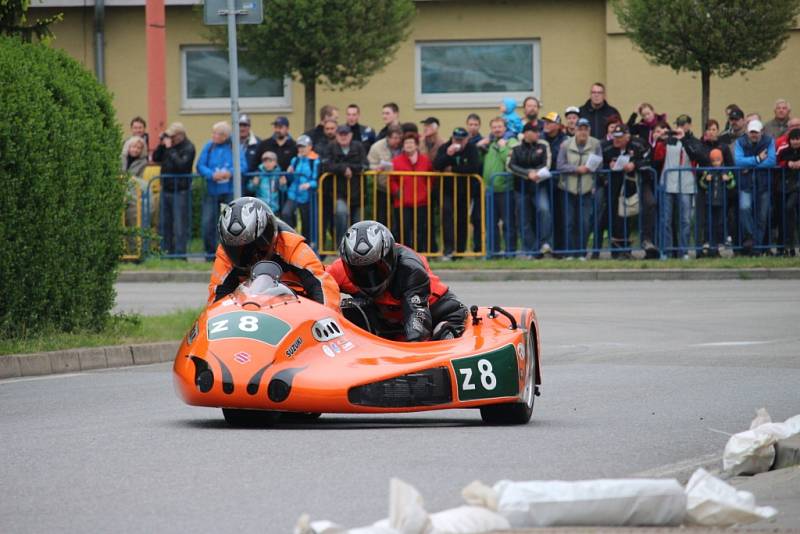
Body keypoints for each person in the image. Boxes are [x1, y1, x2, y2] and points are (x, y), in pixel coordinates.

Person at [328, 221, 467, 342]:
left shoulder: (410, 269)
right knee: (350, 309)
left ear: (390, 257)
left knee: (442, 334)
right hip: (390, 323)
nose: (369, 277)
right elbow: (314, 285)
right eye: (359, 271)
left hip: (436, 313)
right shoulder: (339, 270)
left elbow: (418, 325)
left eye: (377, 268)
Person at [209, 197, 339, 309]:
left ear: (270, 233)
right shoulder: (225, 254)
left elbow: (322, 284)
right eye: (237, 249)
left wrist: (323, 319)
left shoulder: (290, 245)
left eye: (256, 245)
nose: (250, 254)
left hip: (299, 305)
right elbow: (216, 301)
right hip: (251, 307)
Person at [196, 121, 248, 258]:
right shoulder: (209, 146)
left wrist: (229, 173)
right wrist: (211, 174)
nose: (213, 136)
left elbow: (243, 166)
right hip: (211, 190)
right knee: (208, 222)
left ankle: (232, 253)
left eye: (216, 133)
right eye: (213, 133)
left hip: (229, 191)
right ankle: (210, 254)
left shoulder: (234, 147)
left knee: (231, 223)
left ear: (225, 136)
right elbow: (200, 165)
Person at [599, 123, 651, 258]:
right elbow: (598, 163)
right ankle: (618, 251)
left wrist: (635, 164)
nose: (616, 140)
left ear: (627, 137)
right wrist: (607, 165)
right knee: (616, 216)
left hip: (637, 182)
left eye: (620, 137)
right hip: (615, 185)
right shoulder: (607, 146)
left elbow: (650, 160)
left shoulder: (639, 144)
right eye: (614, 137)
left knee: (648, 205)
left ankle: (647, 243)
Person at [433, 127, 483, 258]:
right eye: (456, 139)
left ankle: (460, 251)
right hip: (446, 190)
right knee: (447, 215)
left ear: (467, 139)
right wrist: (447, 155)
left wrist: (453, 169)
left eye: (461, 140)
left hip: (464, 191)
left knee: (462, 219)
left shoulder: (471, 149)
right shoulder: (445, 147)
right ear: (452, 138)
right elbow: (437, 165)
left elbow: (474, 167)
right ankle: (448, 249)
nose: (458, 142)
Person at [557, 118, 601, 258]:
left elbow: (600, 164)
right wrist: (576, 169)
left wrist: (589, 168)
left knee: (584, 223)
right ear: (575, 130)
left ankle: (581, 252)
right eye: (580, 129)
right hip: (567, 188)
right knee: (569, 222)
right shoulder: (565, 144)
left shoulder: (595, 144)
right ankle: (570, 252)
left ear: (589, 130)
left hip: (587, 189)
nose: (583, 132)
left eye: (585, 129)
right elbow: (560, 165)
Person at [508, 122, 552, 257]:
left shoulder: (543, 145)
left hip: (539, 186)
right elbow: (510, 165)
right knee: (523, 220)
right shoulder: (516, 147)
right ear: (527, 133)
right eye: (535, 131)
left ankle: (545, 242)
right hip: (520, 188)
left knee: (544, 210)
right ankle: (533, 249)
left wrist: (536, 173)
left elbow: (547, 163)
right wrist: (528, 174)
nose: (538, 134)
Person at [152, 122, 196, 257]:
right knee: (164, 224)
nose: (170, 138)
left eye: (172, 136)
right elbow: (155, 158)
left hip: (180, 191)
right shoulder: (168, 146)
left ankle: (180, 255)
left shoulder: (189, 147)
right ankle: (166, 253)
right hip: (166, 189)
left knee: (179, 225)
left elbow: (182, 166)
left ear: (180, 135)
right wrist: (161, 144)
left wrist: (170, 149)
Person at [321, 124, 368, 247]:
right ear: (336, 136)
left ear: (351, 135)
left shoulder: (358, 146)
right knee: (341, 214)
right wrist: (343, 168)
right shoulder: (330, 147)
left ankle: (358, 248)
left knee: (358, 223)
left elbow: (365, 165)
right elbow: (326, 165)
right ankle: (341, 245)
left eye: (346, 134)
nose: (343, 137)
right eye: (340, 134)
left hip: (357, 191)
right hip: (338, 192)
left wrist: (350, 168)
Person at [735, 119, 776, 254]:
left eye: (756, 132)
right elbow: (738, 161)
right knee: (744, 208)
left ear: (761, 132)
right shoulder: (740, 142)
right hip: (746, 184)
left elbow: (771, 161)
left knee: (762, 217)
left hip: (763, 184)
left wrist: (751, 166)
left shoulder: (769, 140)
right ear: (747, 131)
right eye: (752, 132)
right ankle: (751, 238)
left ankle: (756, 249)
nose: (754, 135)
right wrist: (758, 159)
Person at [658, 121, 698, 260]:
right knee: (666, 220)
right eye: (679, 124)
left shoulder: (692, 140)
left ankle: (684, 251)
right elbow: (657, 156)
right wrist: (659, 139)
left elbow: (697, 156)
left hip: (686, 184)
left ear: (689, 126)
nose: (682, 127)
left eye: (685, 124)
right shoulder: (668, 141)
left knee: (685, 220)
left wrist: (685, 139)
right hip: (667, 183)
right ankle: (667, 252)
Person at [390, 132, 433, 251]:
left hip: (421, 201)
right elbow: (392, 180)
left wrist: (426, 191)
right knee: (403, 229)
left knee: (421, 229)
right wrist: (397, 192)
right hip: (403, 202)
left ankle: (420, 253)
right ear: (403, 145)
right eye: (406, 142)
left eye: (411, 142)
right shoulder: (396, 161)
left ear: (417, 145)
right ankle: (403, 254)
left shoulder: (425, 160)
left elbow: (431, 178)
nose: (409, 145)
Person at [483, 117, 519, 255]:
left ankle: (510, 251)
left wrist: (503, 148)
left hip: (506, 189)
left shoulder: (511, 142)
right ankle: (493, 251)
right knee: (491, 223)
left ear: (505, 128)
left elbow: (511, 162)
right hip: (490, 190)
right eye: (494, 127)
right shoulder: (491, 144)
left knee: (508, 223)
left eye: (499, 126)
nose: (497, 129)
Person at [698, 149, 736, 255]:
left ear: (722, 160)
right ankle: (708, 242)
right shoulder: (708, 171)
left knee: (720, 222)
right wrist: (706, 180)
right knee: (708, 222)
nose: (716, 163)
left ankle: (721, 242)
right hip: (709, 201)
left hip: (722, 201)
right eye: (713, 161)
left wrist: (728, 179)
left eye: (718, 160)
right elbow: (702, 184)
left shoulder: (726, 171)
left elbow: (732, 185)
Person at [283, 135, 318, 243]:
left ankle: (305, 244)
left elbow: (317, 180)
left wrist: (309, 184)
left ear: (310, 147)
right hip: (293, 193)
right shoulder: (295, 160)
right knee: (286, 213)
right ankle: (291, 239)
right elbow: (290, 178)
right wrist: (288, 173)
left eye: (304, 146)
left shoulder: (315, 161)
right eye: (299, 147)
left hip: (307, 196)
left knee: (305, 222)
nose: (301, 149)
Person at [367, 124, 403, 225]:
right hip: (382, 187)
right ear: (388, 137)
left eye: (399, 138)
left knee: (399, 218)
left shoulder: (404, 146)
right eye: (395, 138)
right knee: (382, 217)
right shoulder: (376, 147)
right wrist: (376, 168)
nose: (397, 141)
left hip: (400, 187)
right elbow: (369, 165)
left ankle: (398, 239)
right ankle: (382, 239)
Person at [777, 129, 800, 255]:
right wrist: (788, 163)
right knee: (787, 212)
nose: (796, 141)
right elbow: (778, 161)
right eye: (793, 139)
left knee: (790, 210)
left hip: (796, 187)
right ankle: (788, 245)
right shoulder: (785, 151)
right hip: (787, 188)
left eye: (798, 139)